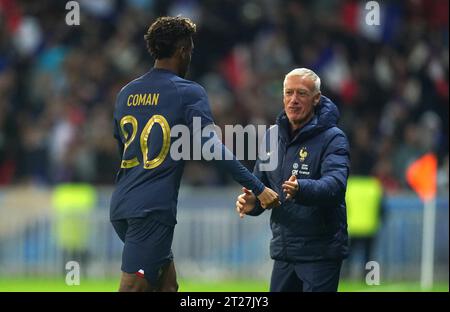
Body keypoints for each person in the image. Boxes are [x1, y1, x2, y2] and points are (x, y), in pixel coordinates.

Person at [110, 16, 280, 292]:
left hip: (122, 204)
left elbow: (122, 150)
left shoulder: (126, 93)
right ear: (183, 50)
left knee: (167, 287)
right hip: (152, 211)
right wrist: (257, 186)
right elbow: (210, 147)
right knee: (133, 287)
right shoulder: (188, 92)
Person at [236, 68, 350, 292]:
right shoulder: (271, 137)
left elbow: (336, 186)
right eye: (288, 93)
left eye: (302, 94)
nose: (293, 100)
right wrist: (252, 204)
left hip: (320, 253)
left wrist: (301, 189)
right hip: (285, 252)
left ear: (316, 99)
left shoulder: (333, 138)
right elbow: (263, 188)